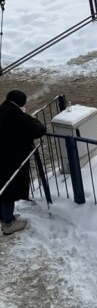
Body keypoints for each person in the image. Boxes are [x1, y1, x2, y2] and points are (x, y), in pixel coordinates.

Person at [0, 90, 46, 236]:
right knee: (8, 190)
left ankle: (4, 217)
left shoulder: (2, 110)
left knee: (2, 187)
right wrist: (31, 118)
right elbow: (39, 130)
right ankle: (8, 223)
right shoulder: (19, 117)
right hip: (11, 160)